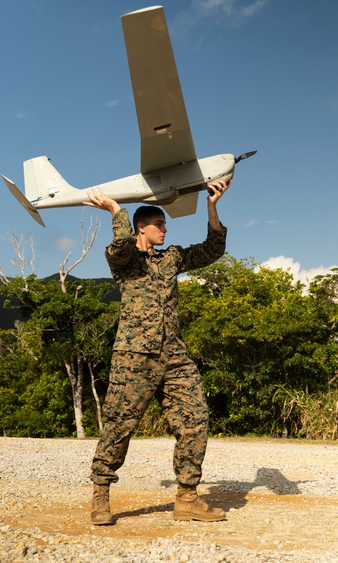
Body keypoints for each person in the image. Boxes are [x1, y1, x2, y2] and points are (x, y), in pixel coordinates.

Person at [82, 178, 232, 526]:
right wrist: (116, 210)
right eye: (159, 224)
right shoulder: (122, 261)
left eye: (165, 224)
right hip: (134, 357)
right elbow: (119, 244)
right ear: (141, 227)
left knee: (195, 420)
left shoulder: (171, 259)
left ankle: (187, 498)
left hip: (175, 356)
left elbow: (212, 250)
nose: (165, 229)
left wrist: (212, 206)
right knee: (119, 426)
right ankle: (101, 496)